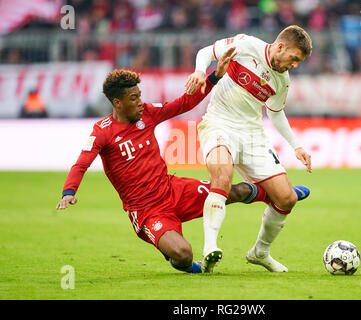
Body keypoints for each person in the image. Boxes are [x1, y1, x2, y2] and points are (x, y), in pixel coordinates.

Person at [56, 48, 309, 274]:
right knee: (183, 253)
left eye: (139, 95)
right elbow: (81, 163)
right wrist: (69, 191)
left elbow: (184, 103)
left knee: (230, 191)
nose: (139, 102)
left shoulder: (148, 113)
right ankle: (189, 267)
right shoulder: (102, 131)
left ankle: (278, 195)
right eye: (133, 98)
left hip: (172, 189)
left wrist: (214, 77)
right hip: (146, 211)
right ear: (117, 102)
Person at [185, 25, 312, 273]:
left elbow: (275, 114)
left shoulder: (282, 80)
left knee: (287, 198)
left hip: (253, 136)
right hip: (219, 123)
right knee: (222, 178)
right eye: (294, 58)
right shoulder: (245, 45)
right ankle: (210, 247)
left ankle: (260, 252)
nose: (294, 65)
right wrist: (200, 72)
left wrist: (296, 146)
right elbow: (205, 51)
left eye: (299, 62)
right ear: (280, 46)